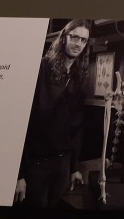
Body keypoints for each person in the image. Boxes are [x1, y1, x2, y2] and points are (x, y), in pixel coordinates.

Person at [15, 19, 93, 208]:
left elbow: (77, 125)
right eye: (75, 37)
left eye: (83, 40)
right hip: (36, 164)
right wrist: (19, 175)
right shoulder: (41, 68)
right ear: (64, 37)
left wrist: (74, 168)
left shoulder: (78, 76)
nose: (78, 44)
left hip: (63, 164)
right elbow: (19, 123)